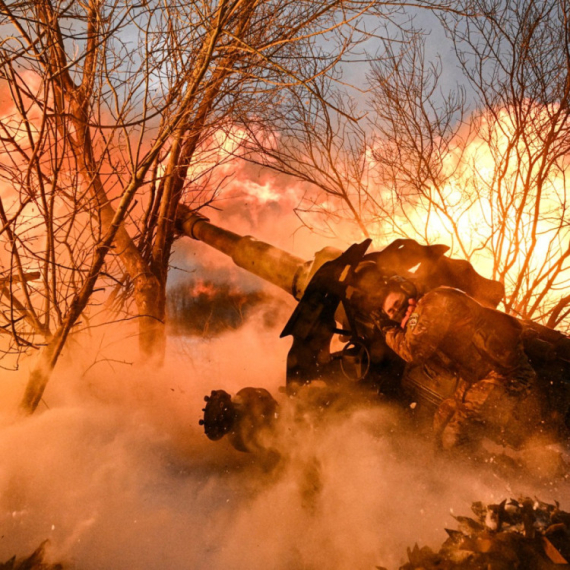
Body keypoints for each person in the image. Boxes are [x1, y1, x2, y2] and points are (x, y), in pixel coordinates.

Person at [380, 281, 546, 453]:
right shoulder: (425, 310)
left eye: (398, 304)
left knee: (454, 436)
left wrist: (388, 332)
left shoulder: (434, 302)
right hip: (480, 376)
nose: (397, 312)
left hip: (505, 373)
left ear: (409, 293)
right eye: (391, 311)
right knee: (441, 418)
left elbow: (413, 351)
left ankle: (480, 478)